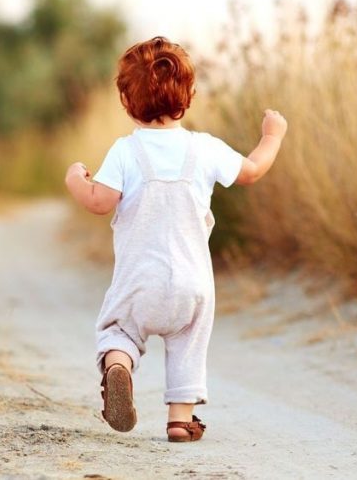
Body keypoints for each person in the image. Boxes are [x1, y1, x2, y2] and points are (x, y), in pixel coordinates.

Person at [64, 36, 287, 442]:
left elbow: (99, 202)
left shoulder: (125, 152)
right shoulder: (204, 149)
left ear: (126, 102)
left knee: (120, 330)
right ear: (189, 97)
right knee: (188, 341)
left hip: (139, 282)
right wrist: (272, 135)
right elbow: (252, 171)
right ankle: (180, 420)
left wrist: (75, 180)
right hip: (192, 284)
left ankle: (119, 366)